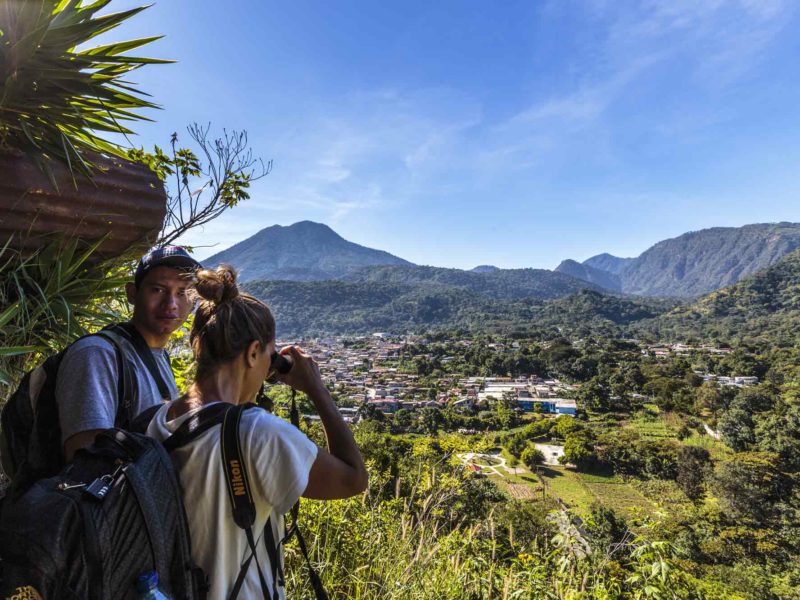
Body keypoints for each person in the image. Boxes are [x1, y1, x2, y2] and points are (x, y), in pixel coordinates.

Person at [146, 265, 368, 600]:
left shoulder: (158, 420)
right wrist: (317, 389)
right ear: (252, 353)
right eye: (268, 355)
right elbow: (353, 479)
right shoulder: (256, 433)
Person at [58, 246, 201, 461]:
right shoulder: (98, 354)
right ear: (132, 294)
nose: (171, 304)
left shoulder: (159, 356)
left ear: (193, 302)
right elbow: (85, 459)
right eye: (158, 289)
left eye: (182, 293)